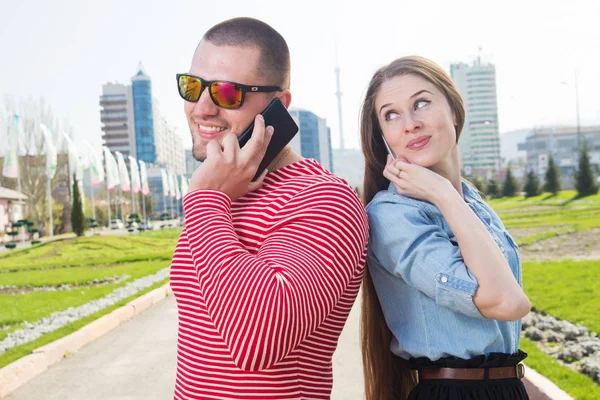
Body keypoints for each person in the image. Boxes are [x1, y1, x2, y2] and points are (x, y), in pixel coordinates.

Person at [170, 17, 368, 400]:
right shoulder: (224, 188)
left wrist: (205, 200)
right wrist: (214, 198)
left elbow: (255, 340)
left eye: (228, 93)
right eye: (192, 87)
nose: (202, 107)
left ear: (278, 105)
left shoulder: (325, 199)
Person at [359, 56, 531, 400]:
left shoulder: (472, 202)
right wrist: (441, 193)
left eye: (421, 103)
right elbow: (507, 302)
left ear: (454, 110)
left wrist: (450, 197)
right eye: (391, 115)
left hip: (506, 390)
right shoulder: (393, 216)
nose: (410, 124)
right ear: (384, 137)